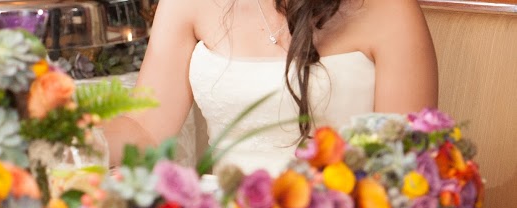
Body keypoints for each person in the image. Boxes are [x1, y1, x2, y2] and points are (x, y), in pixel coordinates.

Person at [104, 0, 437, 174]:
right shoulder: (186, 3)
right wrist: (65, 132)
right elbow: (145, 130)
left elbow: (403, 159)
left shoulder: (387, 9)